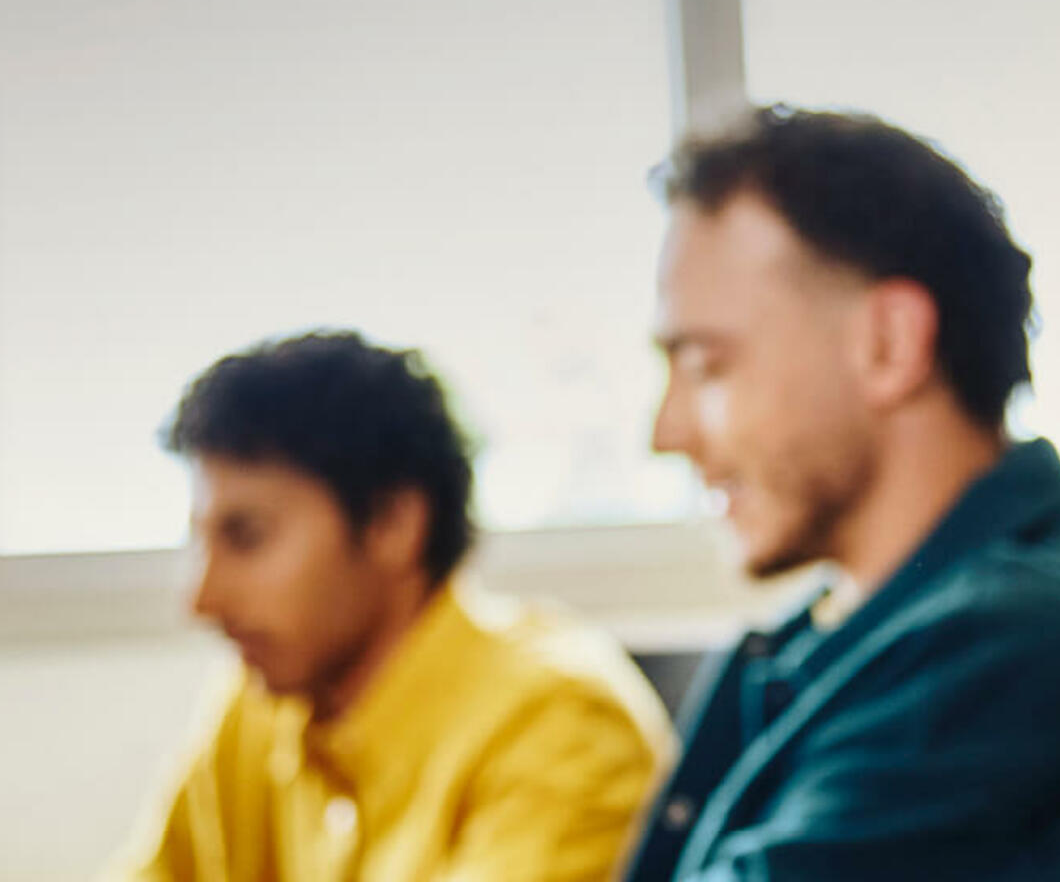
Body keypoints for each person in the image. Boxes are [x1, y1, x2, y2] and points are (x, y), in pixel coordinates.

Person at [623, 106, 1060, 882]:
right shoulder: (864, 628)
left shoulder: (1019, 654)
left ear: (888, 344)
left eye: (707, 365)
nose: (667, 433)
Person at [110, 330, 670, 882]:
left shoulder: (561, 730)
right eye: (201, 542)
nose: (202, 601)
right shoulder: (261, 702)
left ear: (393, 524)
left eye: (248, 537)